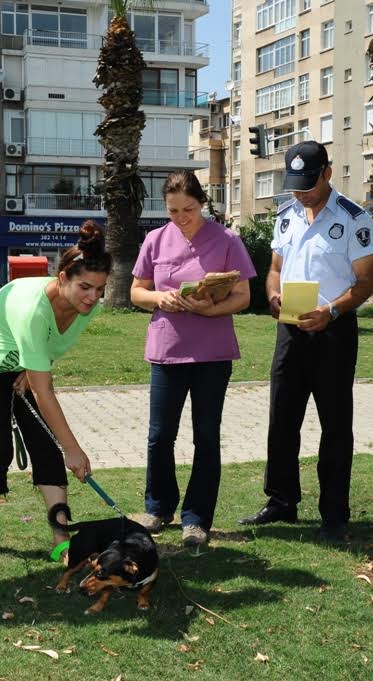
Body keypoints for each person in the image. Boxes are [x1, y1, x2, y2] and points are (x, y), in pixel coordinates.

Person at [238, 140, 373, 542]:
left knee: (335, 424)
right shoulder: (286, 216)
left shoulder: (355, 219)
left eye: (308, 184)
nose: (301, 193)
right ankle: (281, 501)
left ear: (327, 174)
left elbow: (367, 282)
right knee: (282, 418)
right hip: (290, 330)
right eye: (295, 184)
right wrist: (273, 294)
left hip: (334, 330)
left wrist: (330, 311)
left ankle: (334, 513)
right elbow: (275, 268)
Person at [0, 220, 111, 562]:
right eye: (85, 287)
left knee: (47, 448)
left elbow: (51, 345)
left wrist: (28, 365)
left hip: (20, 367)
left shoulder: (87, 306)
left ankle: (62, 538)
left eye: (100, 289)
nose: (93, 297)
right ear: (63, 277)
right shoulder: (32, 308)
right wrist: (75, 450)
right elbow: (44, 392)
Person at [130, 170, 255, 547]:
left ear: (202, 202)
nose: (181, 216)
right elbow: (136, 291)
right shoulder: (154, 240)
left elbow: (243, 296)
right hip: (167, 352)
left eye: (187, 208)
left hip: (212, 355)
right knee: (160, 435)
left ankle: (196, 519)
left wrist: (207, 309)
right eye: (172, 210)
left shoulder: (228, 240)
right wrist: (159, 299)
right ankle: (158, 507)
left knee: (206, 436)